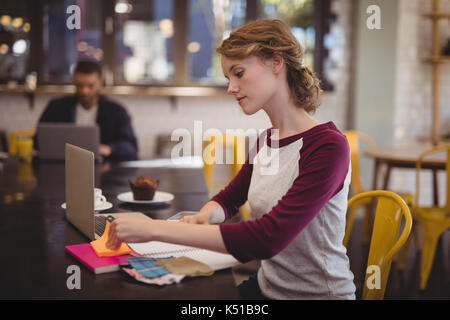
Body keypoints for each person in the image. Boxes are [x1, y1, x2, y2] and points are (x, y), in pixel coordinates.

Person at [106, 19, 356, 300]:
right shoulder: (266, 139)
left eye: (239, 73)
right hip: (268, 288)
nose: (231, 88)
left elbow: (267, 238)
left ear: (276, 63)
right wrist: (206, 215)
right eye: (228, 78)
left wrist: (154, 230)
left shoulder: (328, 147)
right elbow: (230, 198)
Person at [36, 60, 138, 162]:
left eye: (90, 86)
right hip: (62, 166)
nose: (84, 91)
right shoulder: (56, 108)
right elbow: (38, 142)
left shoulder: (116, 112)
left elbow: (131, 148)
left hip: (103, 171)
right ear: (74, 82)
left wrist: (108, 149)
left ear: (100, 83)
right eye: (79, 85)